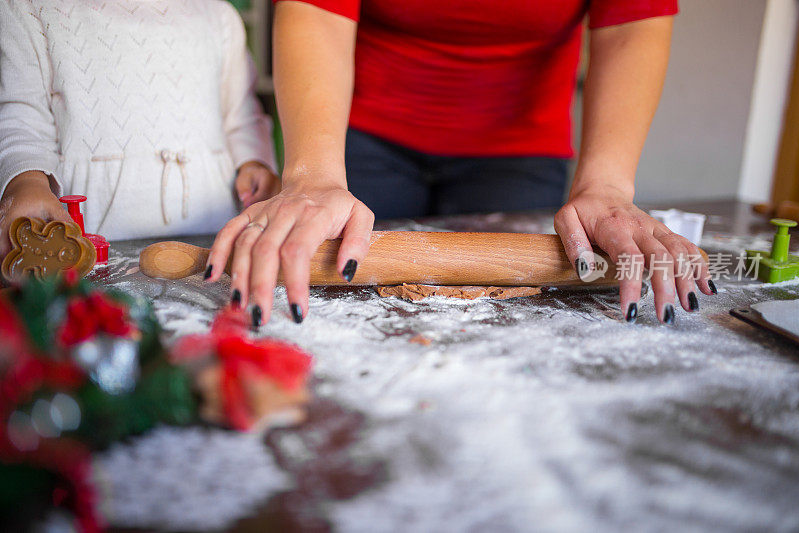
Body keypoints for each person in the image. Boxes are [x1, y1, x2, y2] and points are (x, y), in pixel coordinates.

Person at [206, 0, 716, 327]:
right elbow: (318, 10)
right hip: (363, 135)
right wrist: (313, 174)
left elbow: (632, 23)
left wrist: (607, 186)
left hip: (520, 149)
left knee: (527, 317)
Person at [0, 0, 280, 256]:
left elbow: (242, 115)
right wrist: (25, 182)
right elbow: (21, 115)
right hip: (88, 239)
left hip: (213, 234)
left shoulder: (221, 17)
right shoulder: (27, 8)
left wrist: (254, 164)